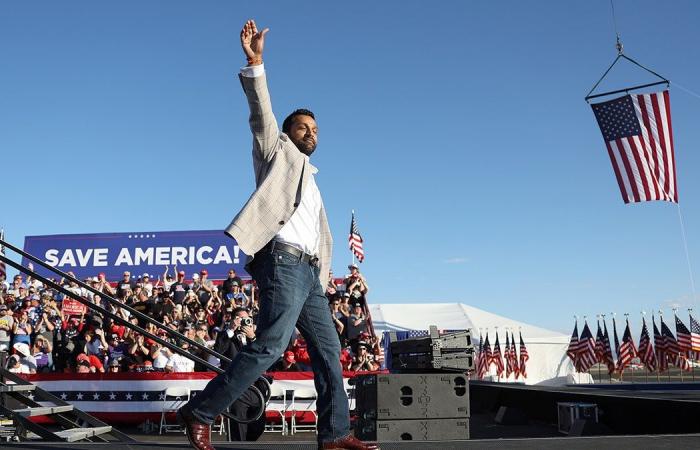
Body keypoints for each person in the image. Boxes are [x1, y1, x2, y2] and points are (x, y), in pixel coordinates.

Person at [177, 20, 378, 450]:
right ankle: (201, 411)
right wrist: (256, 65)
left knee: (329, 353)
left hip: (310, 275)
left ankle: (335, 433)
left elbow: (320, 238)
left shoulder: (315, 179)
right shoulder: (276, 152)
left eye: (316, 130)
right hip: (282, 262)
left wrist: (324, 279)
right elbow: (261, 116)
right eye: (305, 128)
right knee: (270, 345)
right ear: (289, 133)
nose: (312, 134)